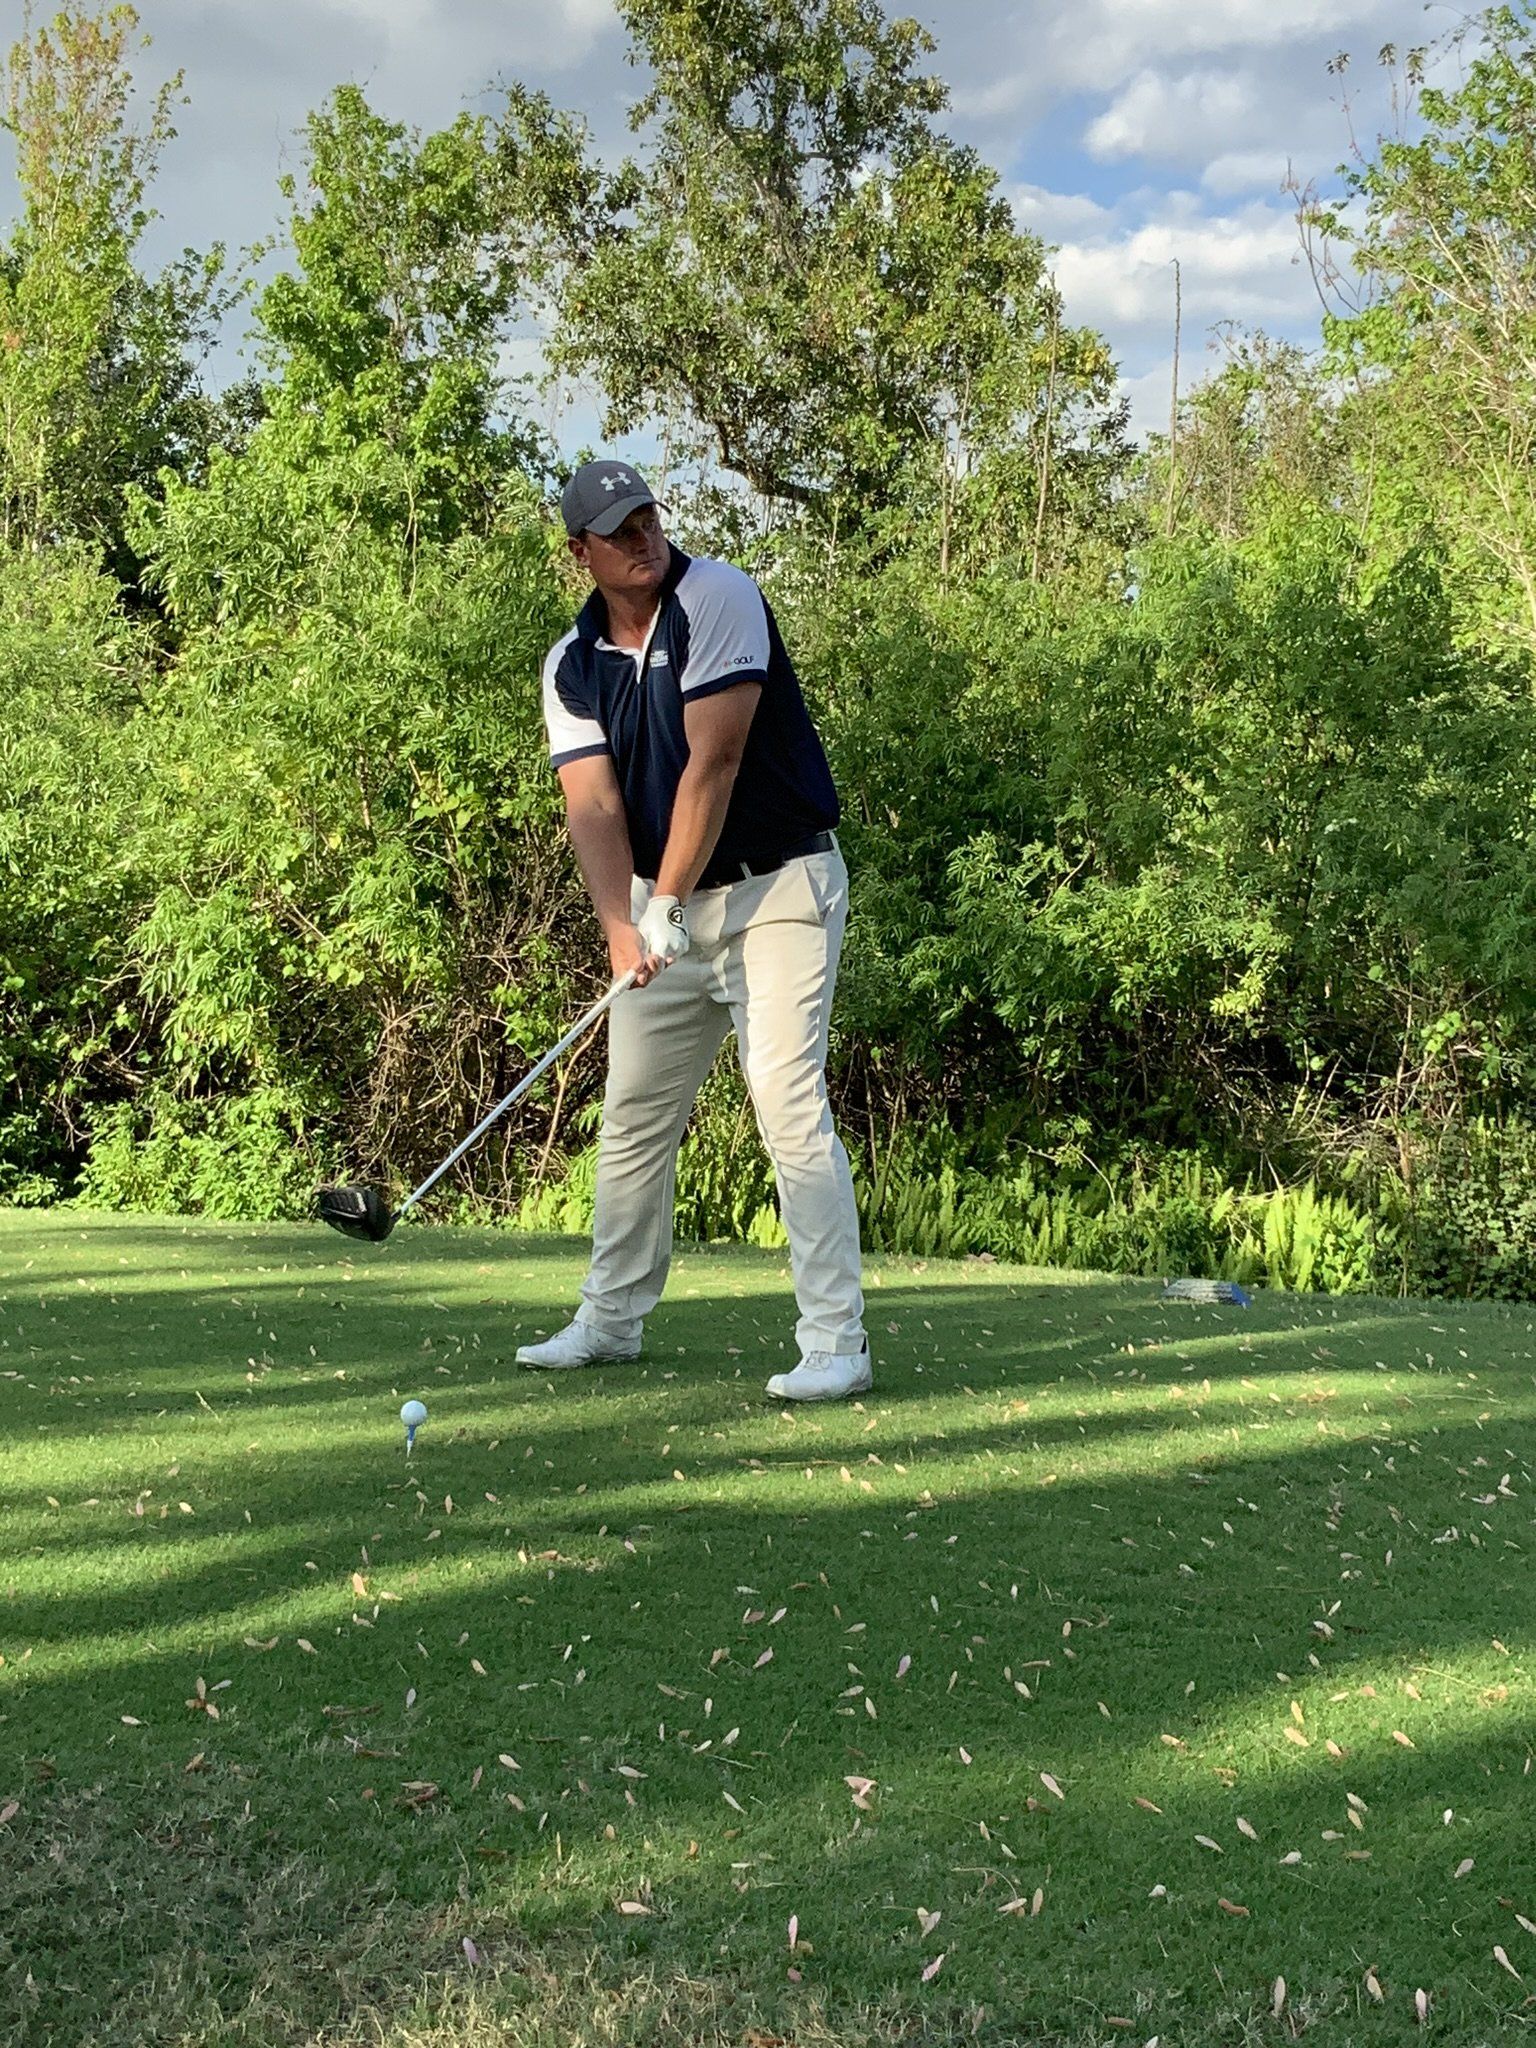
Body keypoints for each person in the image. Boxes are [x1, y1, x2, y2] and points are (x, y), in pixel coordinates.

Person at [514, 459, 870, 1401]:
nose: (643, 541)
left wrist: (664, 902)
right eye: (619, 532)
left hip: (777, 889)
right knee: (634, 1114)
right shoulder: (571, 664)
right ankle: (610, 1321)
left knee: (786, 1103)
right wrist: (621, 930)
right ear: (581, 551)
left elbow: (713, 765)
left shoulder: (718, 597)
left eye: (649, 520)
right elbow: (593, 806)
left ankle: (837, 1343)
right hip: (664, 907)